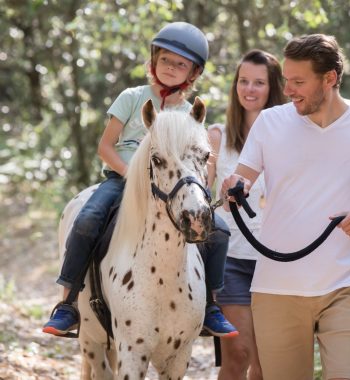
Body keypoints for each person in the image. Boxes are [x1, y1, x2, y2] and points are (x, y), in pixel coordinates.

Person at [43, 21, 238, 339]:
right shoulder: (132, 97)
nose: (171, 68)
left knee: (220, 229)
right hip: (122, 180)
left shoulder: (190, 113)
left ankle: (210, 307)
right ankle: (67, 303)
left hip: (169, 188)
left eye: (180, 64)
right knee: (88, 220)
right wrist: (131, 174)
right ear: (153, 61)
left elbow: (194, 160)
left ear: (193, 73)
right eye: (165, 60)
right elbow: (105, 147)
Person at [222, 34, 350, 380]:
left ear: (330, 78)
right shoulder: (271, 122)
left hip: (344, 285)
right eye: (286, 81)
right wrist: (236, 185)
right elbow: (242, 176)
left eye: (298, 82)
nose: (288, 90)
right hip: (277, 288)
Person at [207, 49, 286, 379]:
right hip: (231, 259)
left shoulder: (288, 137)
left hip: (277, 260)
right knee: (239, 353)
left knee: (268, 362)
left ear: (273, 88)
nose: (249, 89)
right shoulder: (217, 136)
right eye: (243, 81)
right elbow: (199, 192)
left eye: (258, 83)